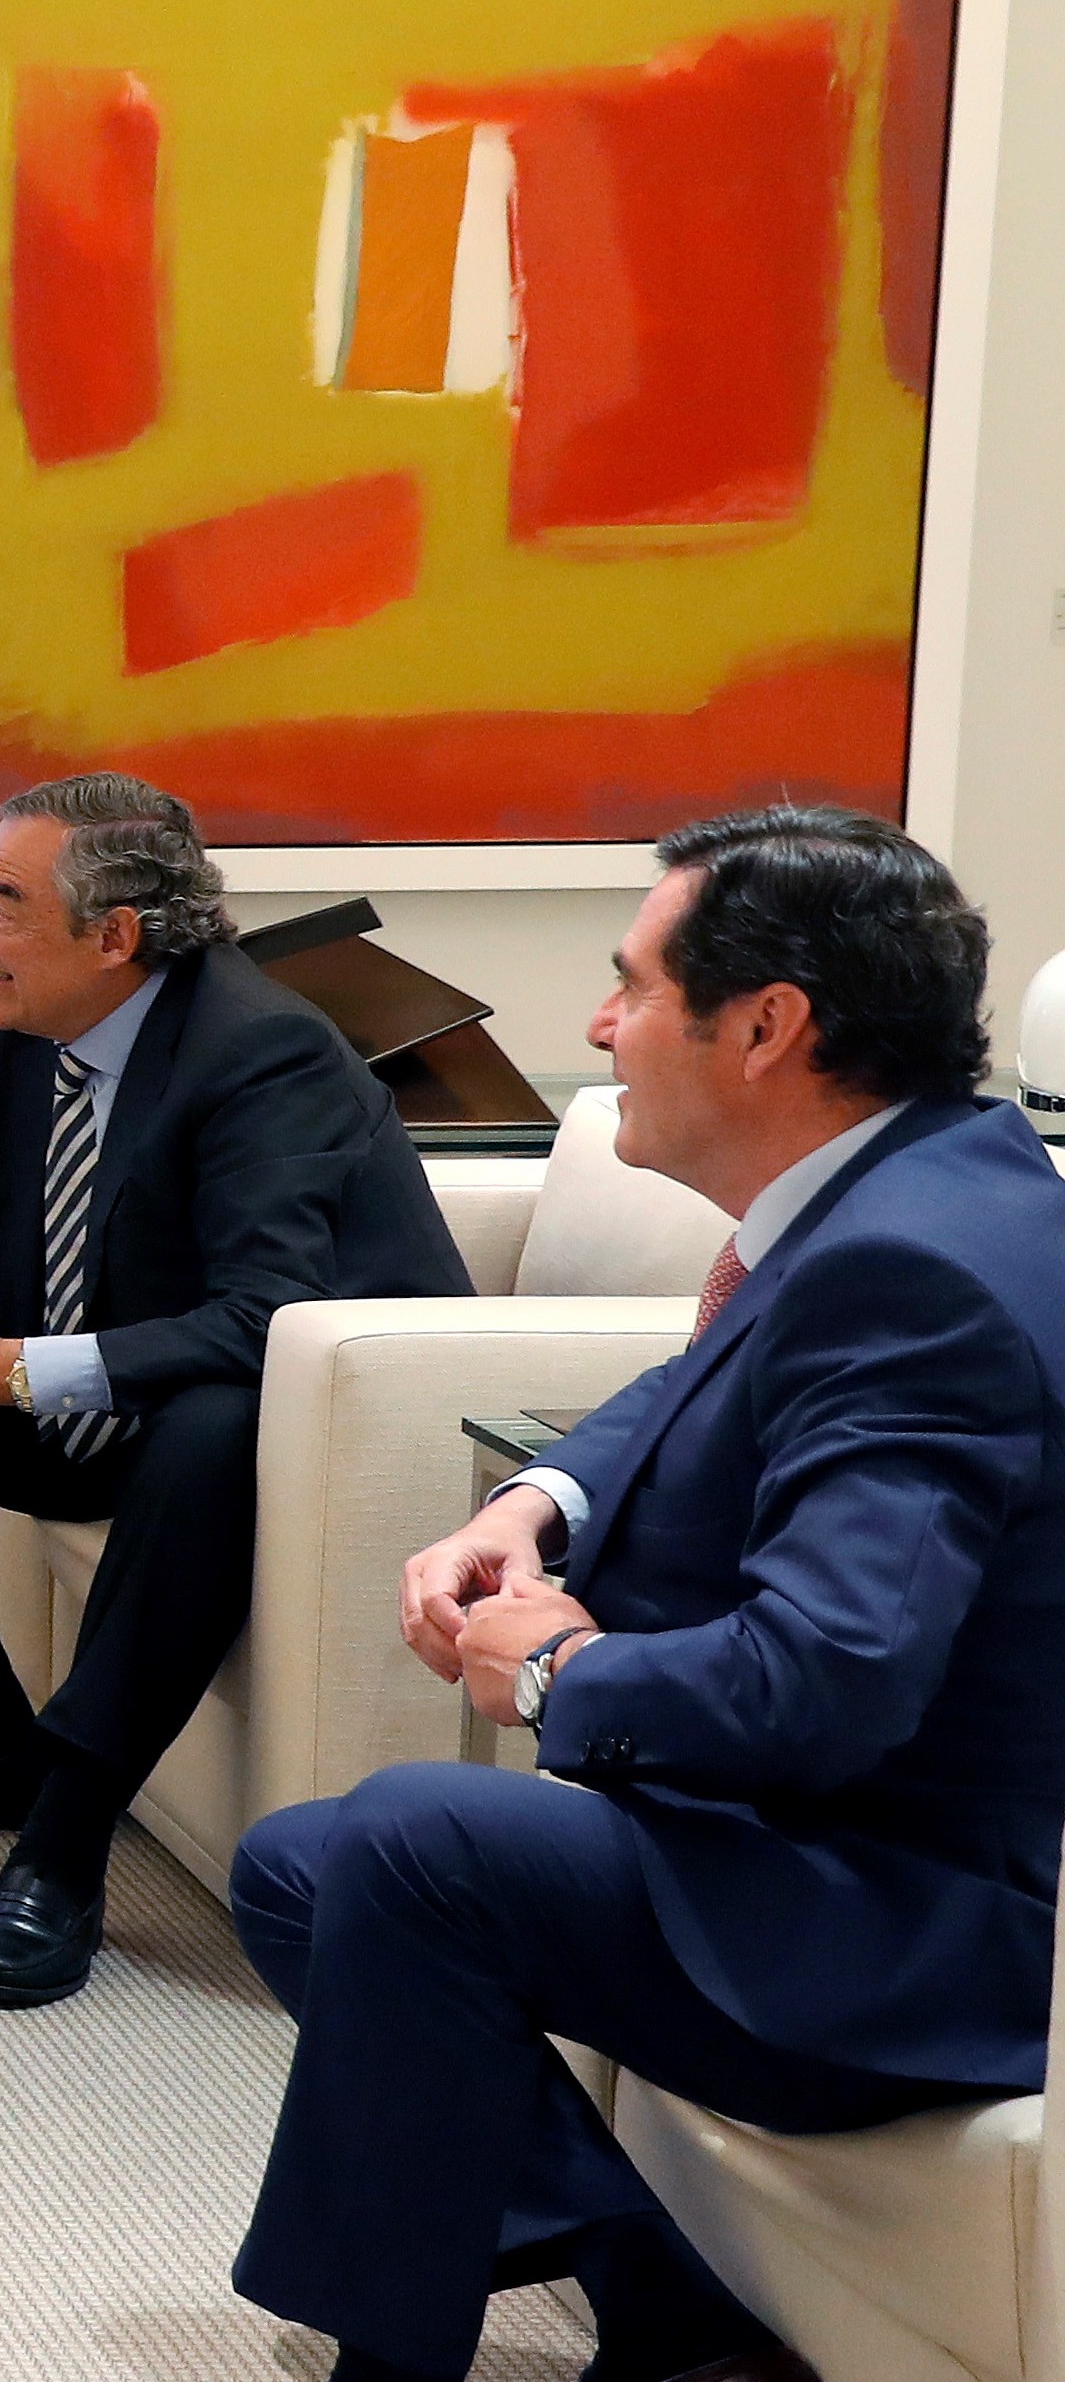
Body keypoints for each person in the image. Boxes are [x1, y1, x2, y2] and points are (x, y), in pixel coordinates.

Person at [232, 809, 1065, 2382]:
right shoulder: (910, 1189)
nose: (596, 1027)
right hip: (825, 1839)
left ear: (766, 1027)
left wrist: (558, 1675)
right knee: (300, 1866)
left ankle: (388, 2359)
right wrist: (537, 1501)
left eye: (627, 986)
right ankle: (660, 2302)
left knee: (419, 1838)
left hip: (928, 1918)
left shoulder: (921, 1273)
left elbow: (830, 1674)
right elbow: (706, 1376)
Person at [0, 771, 466, 2008]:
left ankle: (65, 1835)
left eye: (1, 900)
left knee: (206, 1431)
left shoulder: (263, 1051)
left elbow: (265, 1318)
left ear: (114, 934)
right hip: (80, 1393)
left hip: (277, 1423)